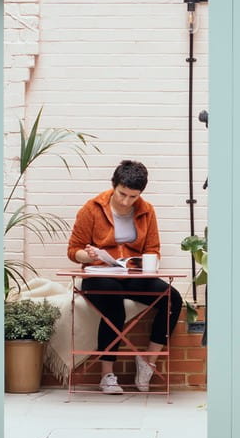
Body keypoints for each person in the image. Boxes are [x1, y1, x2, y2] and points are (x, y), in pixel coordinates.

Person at [67, 160, 182, 394]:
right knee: (113, 300)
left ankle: (148, 360)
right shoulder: (91, 209)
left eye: (133, 197)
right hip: (99, 274)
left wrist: (145, 263)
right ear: (114, 185)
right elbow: (73, 250)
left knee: (173, 298)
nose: (126, 201)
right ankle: (107, 375)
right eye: (122, 194)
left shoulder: (146, 210)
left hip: (131, 274)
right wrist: (88, 257)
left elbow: (153, 248)